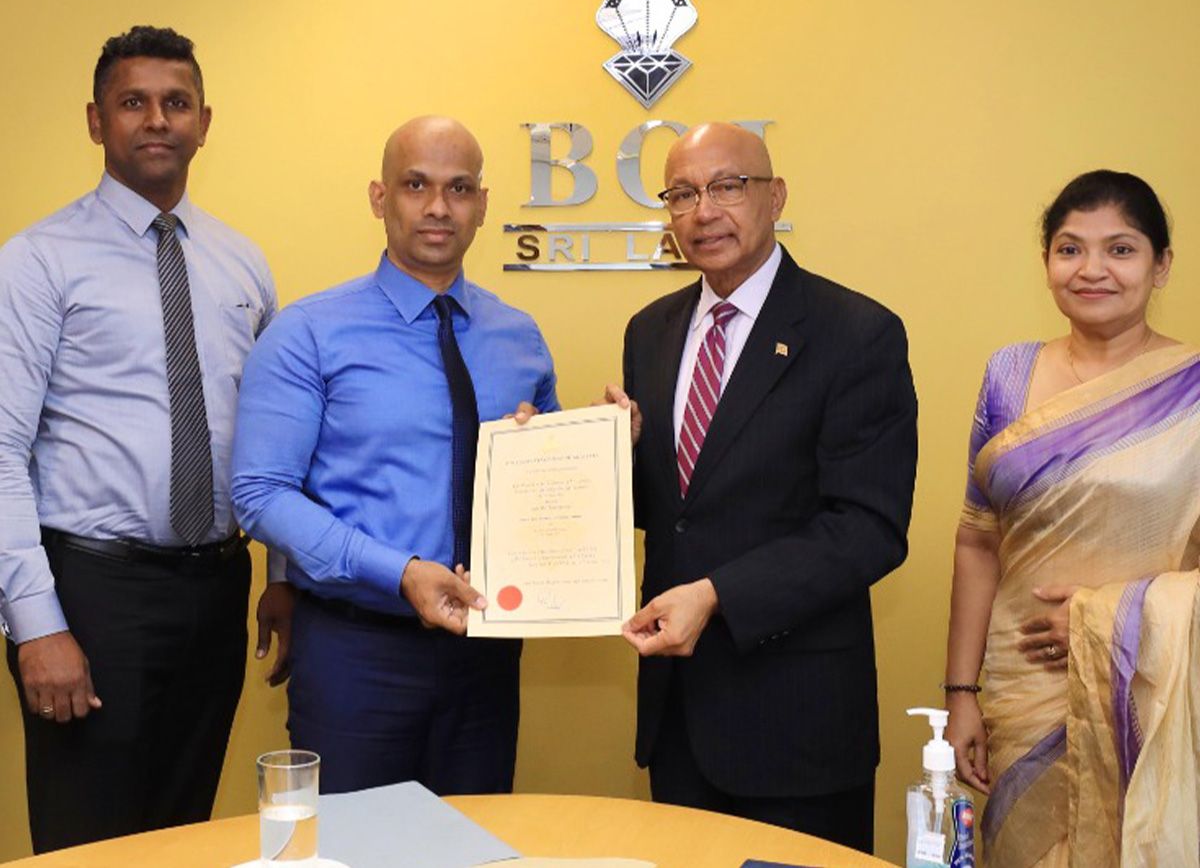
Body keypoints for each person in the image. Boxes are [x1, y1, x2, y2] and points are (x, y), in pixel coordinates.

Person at [0, 26, 292, 853]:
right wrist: (36, 624)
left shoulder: (243, 264)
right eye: (133, 102)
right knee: (90, 843)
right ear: (97, 121)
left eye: (176, 102)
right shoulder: (38, 262)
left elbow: (272, 446)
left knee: (183, 833)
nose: (157, 119)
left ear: (205, 122)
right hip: (92, 595)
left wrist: (283, 577)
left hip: (216, 588)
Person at [601, 123, 917, 852]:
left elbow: (868, 527)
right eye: (682, 194)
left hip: (798, 721)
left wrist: (717, 595)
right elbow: (676, 511)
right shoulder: (650, 331)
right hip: (679, 715)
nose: (703, 211)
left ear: (775, 197)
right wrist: (613, 456)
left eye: (727, 187)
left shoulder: (856, 331)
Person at [231, 115, 559, 795]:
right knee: (358, 843)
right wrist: (399, 572)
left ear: (483, 205)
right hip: (357, 654)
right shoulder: (308, 332)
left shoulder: (519, 336)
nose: (439, 207)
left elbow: (557, 485)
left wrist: (600, 444)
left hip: (486, 653)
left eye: (459, 188)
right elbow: (260, 493)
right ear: (380, 199)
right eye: (416, 185)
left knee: (475, 836)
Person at [943, 169, 1200, 867]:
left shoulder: (1192, 388)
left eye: (1120, 249)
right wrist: (961, 694)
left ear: (1161, 265)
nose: (1092, 269)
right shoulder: (1008, 375)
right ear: (1047, 262)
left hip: (1151, 692)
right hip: (1022, 692)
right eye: (1070, 249)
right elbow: (977, 541)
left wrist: (1111, 619)